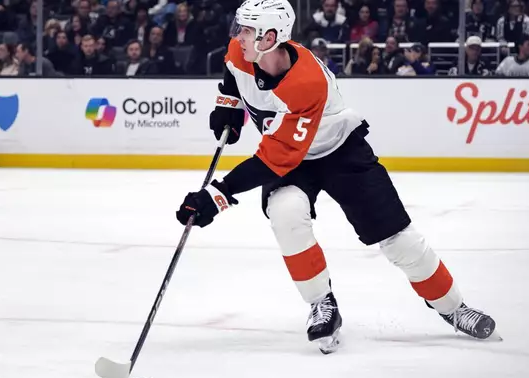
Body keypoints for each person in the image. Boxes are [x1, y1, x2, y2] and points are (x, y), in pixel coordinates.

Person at [175, 0, 498, 354]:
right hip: (293, 158)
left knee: (398, 239)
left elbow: (271, 162)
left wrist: (216, 195)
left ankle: (453, 307)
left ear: (270, 37)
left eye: (246, 30)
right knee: (286, 215)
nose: (237, 36)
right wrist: (228, 108)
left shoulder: (305, 83)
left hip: (340, 150)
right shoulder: (241, 49)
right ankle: (321, 303)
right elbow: (233, 77)